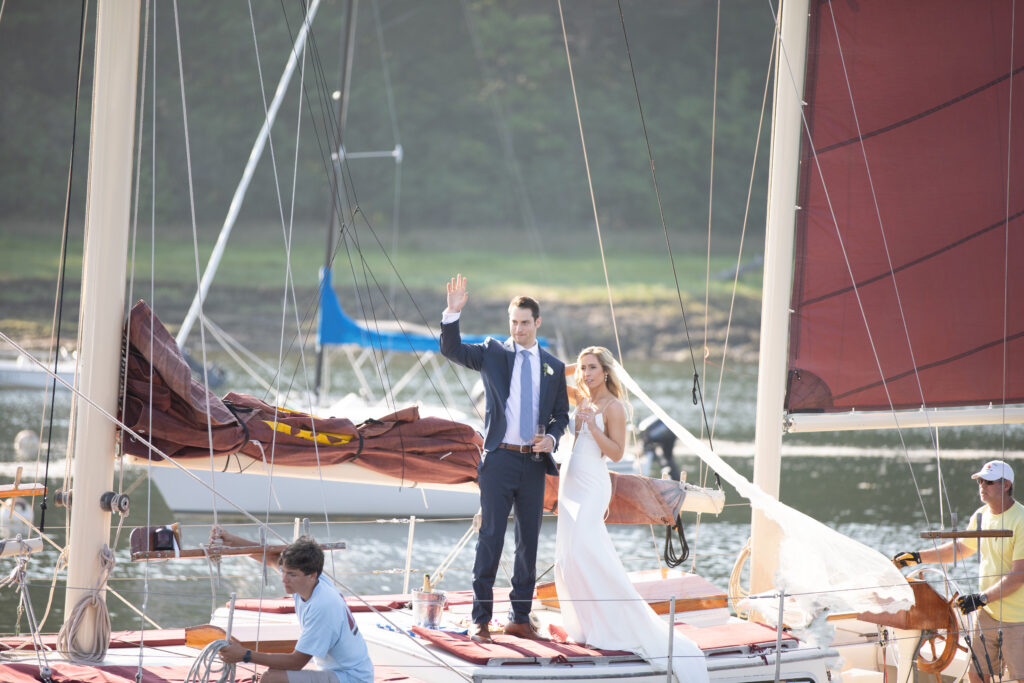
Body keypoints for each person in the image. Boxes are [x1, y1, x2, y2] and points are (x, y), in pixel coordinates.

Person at [554, 347, 707, 683]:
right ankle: (584, 624)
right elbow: (548, 374)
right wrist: (573, 368)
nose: (586, 374)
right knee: (568, 557)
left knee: (587, 550)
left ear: (606, 372)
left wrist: (591, 428)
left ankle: (616, 622)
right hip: (570, 486)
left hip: (593, 486)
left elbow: (617, 451)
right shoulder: (583, 396)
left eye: (592, 368)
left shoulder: (613, 406)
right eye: (583, 369)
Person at [439, 273, 570, 643]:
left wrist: (552, 437)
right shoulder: (494, 352)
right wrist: (452, 313)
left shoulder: (553, 367)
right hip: (498, 460)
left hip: (532, 464)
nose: (518, 328)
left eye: (525, 323)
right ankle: (480, 618)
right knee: (491, 538)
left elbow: (562, 415)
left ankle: (520, 616)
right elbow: (453, 351)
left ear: (537, 323)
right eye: (513, 322)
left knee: (528, 542)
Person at [892, 460, 1024, 683]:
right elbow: (961, 548)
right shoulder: (981, 515)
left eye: (989, 482)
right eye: (980, 481)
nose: (982, 485)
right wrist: (917, 557)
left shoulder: (1021, 519)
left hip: (1018, 617)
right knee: (976, 675)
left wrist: (981, 598)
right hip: (987, 613)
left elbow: (1019, 575)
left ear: (1006, 485)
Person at [214, 528, 374, 683]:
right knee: (275, 672)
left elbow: (296, 662)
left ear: (312, 575)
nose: (284, 579)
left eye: (291, 574)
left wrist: (245, 655)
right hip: (336, 672)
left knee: (272, 678)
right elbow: (270, 558)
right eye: (284, 571)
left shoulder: (323, 606)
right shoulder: (310, 582)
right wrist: (233, 542)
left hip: (351, 678)